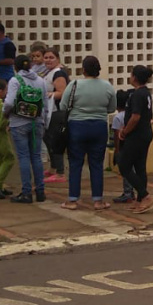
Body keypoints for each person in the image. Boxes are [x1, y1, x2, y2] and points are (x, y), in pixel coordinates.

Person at [59, 55, 116, 211]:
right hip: (99, 127)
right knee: (96, 164)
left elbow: (63, 106)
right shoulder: (107, 86)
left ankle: (72, 200)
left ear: (83, 69)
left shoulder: (74, 84)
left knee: (75, 163)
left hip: (77, 126)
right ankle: (98, 201)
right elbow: (111, 108)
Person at [4, 55, 49, 204]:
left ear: (15, 67)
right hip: (37, 122)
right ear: (30, 66)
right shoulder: (40, 81)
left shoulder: (15, 80)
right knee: (36, 157)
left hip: (19, 123)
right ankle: (40, 191)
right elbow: (45, 103)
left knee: (23, 157)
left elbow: (9, 102)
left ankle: (26, 193)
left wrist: (6, 114)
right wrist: (44, 121)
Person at [117, 65, 153, 214]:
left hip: (137, 135)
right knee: (140, 167)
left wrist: (125, 131)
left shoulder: (137, 95)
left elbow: (135, 116)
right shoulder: (144, 93)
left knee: (124, 165)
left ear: (134, 77)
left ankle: (145, 195)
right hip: (144, 133)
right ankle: (140, 199)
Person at [42, 47, 69, 183]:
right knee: (47, 138)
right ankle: (53, 168)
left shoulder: (58, 73)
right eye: (46, 57)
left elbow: (62, 92)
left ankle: (60, 172)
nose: (48, 60)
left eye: (51, 57)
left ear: (57, 59)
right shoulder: (49, 72)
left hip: (57, 112)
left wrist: (47, 95)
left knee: (55, 140)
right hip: (49, 112)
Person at [111, 90, 135, 204]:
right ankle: (131, 192)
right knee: (132, 169)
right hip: (133, 144)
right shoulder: (131, 115)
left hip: (123, 146)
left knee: (125, 170)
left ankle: (127, 193)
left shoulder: (117, 118)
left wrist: (117, 150)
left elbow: (116, 136)